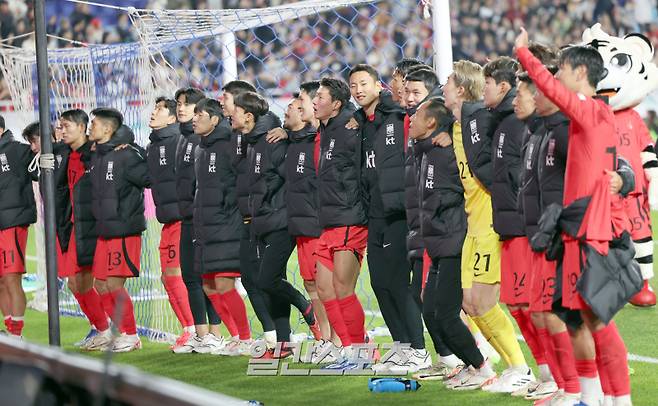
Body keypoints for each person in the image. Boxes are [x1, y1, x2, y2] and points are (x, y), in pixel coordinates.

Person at [516, 27, 633, 406]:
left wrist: (523, 53)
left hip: (589, 233)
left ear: (580, 73)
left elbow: (553, 91)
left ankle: (620, 400)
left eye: (562, 70)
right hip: (574, 231)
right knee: (576, 318)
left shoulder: (591, 110)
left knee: (597, 319)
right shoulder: (593, 116)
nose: (557, 78)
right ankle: (591, 396)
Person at [443, 60, 534, 391]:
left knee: (483, 301)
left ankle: (519, 366)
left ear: (463, 89)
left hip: (491, 223)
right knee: (468, 303)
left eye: (449, 81)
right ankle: (502, 365)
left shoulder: (481, 120)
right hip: (472, 223)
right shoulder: (455, 127)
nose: (444, 86)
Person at [412, 97, 499, 389]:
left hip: (452, 243)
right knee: (430, 311)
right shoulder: (426, 150)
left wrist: (437, 208)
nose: (411, 119)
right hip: (438, 244)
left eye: (417, 115)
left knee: (446, 314)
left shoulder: (446, 152)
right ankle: (469, 364)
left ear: (431, 122)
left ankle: (482, 367)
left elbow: (456, 191)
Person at [349, 64, 429, 374]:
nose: (358, 90)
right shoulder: (361, 123)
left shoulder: (396, 115)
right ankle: (401, 347)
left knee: (397, 282)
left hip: (399, 211)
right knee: (380, 283)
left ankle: (419, 350)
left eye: (363, 83)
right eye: (353, 84)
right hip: (375, 213)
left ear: (378, 85)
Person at [313, 77, 368, 369]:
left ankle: (360, 350)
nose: (314, 101)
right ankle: (347, 348)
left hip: (349, 217)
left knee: (342, 288)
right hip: (328, 221)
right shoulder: (325, 131)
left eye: (320, 97)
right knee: (324, 288)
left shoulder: (351, 129)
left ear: (336, 104)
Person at [192, 97, 252, 356]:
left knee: (224, 284)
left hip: (227, 224)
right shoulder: (202, 149)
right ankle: (236, 336)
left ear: (214, 120)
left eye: (199, 114)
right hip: (207, 226)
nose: (194, 118)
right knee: (208, 285)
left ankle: (246, 338)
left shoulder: (230, 144)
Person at [88, 108, 149, 352]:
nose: (90, 127)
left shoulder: (125, 155)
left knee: (114, 284)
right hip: (105, 230)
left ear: (107, 129)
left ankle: (131, 335)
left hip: (123, 230)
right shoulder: (99, 156)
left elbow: (149, 178)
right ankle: (119, 330)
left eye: (94, 124)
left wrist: (137, 150)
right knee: (100, 284)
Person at [173, 87, 224, 354]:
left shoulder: (204, 141)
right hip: (187, 217)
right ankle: (201, 333)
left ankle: (215, 333)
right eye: (178, 104)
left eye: (188, 105)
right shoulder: (184, 138)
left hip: (202, 217)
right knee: (190, 277)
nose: (181, 108)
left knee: (206, 276)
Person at [282, 94, 331, 344]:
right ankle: (325, 338)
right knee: (311, 285)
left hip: (317, 226)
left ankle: (341, 339)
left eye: (297, 105)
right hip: (300, 227)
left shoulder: (319, 142)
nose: (292, 110)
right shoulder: (291, 142)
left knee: (326, 288)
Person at [146, 97, 195, 350]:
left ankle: (194, 330)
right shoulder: (152, 146)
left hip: (183, 221)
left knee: (176, 276)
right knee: (168, 278)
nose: (153, 112)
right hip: (167, 221)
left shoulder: (179, 141)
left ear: (173, 118)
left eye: (160, 109)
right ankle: (188, 329)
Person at [0, 115, 35, 337]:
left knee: (12, 277)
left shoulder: (18, 151)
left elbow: (41, 165)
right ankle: (9, 331)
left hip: (12, 223)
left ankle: (16, 334)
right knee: (1, 281)